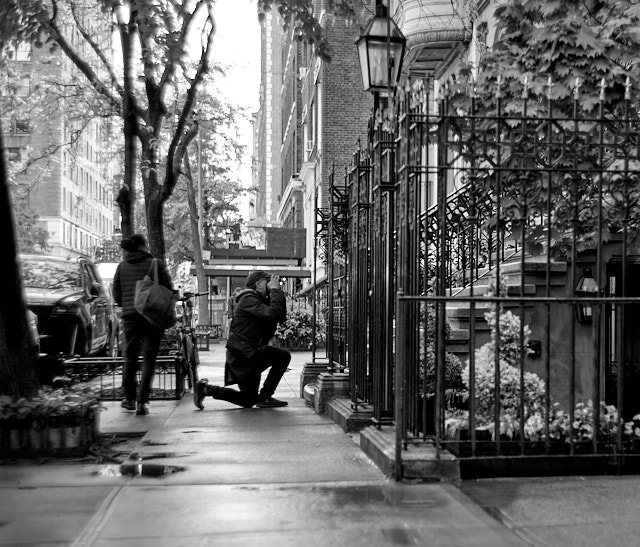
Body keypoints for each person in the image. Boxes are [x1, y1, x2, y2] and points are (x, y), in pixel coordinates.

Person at [194, 270, 291, 409]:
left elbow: (280, 316)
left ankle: (264, 397)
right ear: (258, 284)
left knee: (248, 399)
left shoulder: (259, 299)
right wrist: (275, 291)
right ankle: (207, 389)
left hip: (252, 353)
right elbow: (272, 314)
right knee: (248, 399)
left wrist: (276, 292)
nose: (271, 283)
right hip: (243, 355)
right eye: (267, 281)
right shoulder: (248, 299)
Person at [112, 233, 174, 415]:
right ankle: (142, 401)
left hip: (130, 317)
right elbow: (168, 288)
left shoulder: (121, 267)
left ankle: (129, 398)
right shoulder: (156, 264)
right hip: (152, 316)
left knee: (130, 357)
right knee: (149, 359)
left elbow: (117, 294)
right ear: (142, 246)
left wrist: (128, 305)